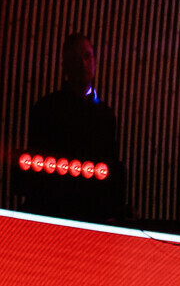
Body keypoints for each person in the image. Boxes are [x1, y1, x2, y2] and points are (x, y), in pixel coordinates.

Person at [19, 31, 127, 221]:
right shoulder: (46, 109)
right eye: (75, 58)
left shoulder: (106, 115)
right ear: (65, 66)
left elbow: (108, 169)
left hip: (93, 212)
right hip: (53, 211)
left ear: (94, 61)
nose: (83, 64)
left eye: (87, 56)